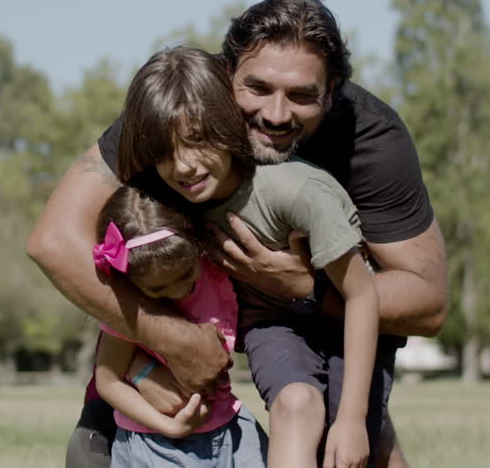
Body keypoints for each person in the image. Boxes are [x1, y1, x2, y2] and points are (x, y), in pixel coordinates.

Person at [28, 0, 447, 468]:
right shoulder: (176, 110)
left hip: (328, 320)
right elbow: (53, 242)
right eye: (258, 88)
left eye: (302, 95)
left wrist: (302, 286)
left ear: (332, 90)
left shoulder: (371, 140)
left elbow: (427, 303)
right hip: (193, 324)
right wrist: (162, 351)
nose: (275, 113)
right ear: (226, 75)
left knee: (350, 444)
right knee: (92, 456)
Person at [116, 46, 379, 468]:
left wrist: (352, 419)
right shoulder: (170, 204)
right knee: (296, 405)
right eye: (164, 152)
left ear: (226, 123)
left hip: (349, 323)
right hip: (273, 325)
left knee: (356, 446)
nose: (183, 166)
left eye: (197, 140)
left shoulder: (296, 192)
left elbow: (361, 296)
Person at [91, 185, 267, 468]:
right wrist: (169, 426)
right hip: (154, 444)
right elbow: (108, 381)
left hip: (229, 426)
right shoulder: (131, 306)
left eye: (187, 276)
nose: (177, 291)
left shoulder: (215, 271)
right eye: (158, 288)